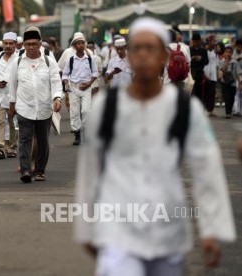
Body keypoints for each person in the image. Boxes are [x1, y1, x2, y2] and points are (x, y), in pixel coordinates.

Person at [75, 17, 236, 276]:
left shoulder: (186, 109)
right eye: (136, 48)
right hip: (118, 230)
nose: (143, 55)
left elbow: (207, 169)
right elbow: (90, 170)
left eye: (151, 48)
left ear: (164, 55)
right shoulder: (107, 107)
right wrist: (86, 227)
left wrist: (212, 229)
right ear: (128, 55)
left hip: (168, 232)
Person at [8, 26, 63, 183]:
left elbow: (56, 83)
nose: (31, 47)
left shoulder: (49, 62)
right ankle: (25, 170)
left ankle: (39, 170)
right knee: (25, 140)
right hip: (24, 108)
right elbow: (12, 84)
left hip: (45, 108)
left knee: (43, 141)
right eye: (28, 44)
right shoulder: (17, 62)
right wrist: (12, 104)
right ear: (24, 45)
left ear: (40, 44)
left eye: (34, 44)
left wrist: (57, 98)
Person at [62, 35, 99, 146]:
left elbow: (95, 73)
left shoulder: (90, 58)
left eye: (82, 43)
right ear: (74, 46)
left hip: (86, 87)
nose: (81, 45)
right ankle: (77, 135)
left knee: (86, 111)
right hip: (73, 87)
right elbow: (65, 74)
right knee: (74, 112)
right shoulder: (71, 59)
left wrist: (89, 83)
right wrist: (66, 82)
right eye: (78, 43)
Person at [0, 32, 19, 160]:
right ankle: (0, 148)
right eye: (5, 43)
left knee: (14, 123)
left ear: (15, 44)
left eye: (11, 43)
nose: (8, 46)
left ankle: (12, 147)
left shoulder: (20, 58)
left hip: (15, 97)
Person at [221, 46, 242, 118]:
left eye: (230, 52)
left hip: (233, 83)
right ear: (224, 52)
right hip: (224, 82)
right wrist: (226, 60)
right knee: (227, 98)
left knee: (232, 98)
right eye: (226, 52)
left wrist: (240, 83)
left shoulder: (235, 62)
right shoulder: (222, 61)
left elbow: (238, 73)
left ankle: (229, 111)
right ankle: (228, 113)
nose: (228, 53)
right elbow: (223, 70)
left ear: (232, 53)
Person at [190, 33, 209, 102]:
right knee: (191, 91)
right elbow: (186, 60)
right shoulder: (189, 49)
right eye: (194, 42)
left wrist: (201, 58)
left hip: (200, 73)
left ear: (200, 41)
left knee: (200, 92)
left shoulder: (203, 50)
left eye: (197, 42)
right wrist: (192, 59)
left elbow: (207, 62)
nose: (195, 43)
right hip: (191, 73)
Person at [203, 35, 218, 117]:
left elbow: (215, 64)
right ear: (209, 41)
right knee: (206, 94)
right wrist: (204, 75)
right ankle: (205, 110)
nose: (215, 43)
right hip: (206, 76)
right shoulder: (204, 51)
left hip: (213, 76)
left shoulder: (214, 52)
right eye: (213, 41)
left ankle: (210, 110)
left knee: (212, 94)